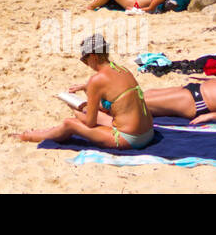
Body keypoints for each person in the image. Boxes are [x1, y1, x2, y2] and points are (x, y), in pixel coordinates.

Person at [15, 35, 154, 150]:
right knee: (81, 113)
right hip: (148, 132)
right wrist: (85, 92)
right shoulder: (121, 69)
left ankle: (29, 136)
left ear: (93, 56)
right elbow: (115, 100)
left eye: (85, 60)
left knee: (70, 123)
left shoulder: (97, 80)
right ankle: (43, 132)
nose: (86, 64)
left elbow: (90, 123)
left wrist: (78, 106)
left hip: (131, 139)